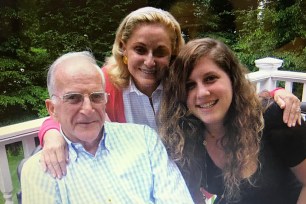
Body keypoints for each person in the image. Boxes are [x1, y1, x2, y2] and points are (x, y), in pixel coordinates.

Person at [38, 7, 301, 179]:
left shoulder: (181, 83)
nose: (150, 61)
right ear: (123, 48)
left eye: (160, 52)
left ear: (173, 53)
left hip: (181, 178)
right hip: (132, 179)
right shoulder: (106, 85)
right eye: (140, 49)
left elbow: (232, 91)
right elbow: (66, 106)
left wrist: (278, 92)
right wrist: (50, 133)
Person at [21, 51, 194, 204]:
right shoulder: (40, 171)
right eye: (73, 98)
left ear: (105, 100)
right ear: (52, 109)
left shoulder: (144, 139)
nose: (88, 109)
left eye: (96, 96)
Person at [158, 38, 306, 204]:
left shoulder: (274, 118)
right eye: (190, 85)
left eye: (210, 78)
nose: (202, 93)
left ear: (232, 79)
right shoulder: (187, 138)